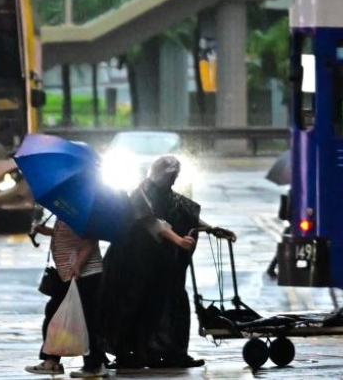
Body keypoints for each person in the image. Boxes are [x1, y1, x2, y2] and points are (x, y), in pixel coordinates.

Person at [100, 156, 234, 369]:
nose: (174, 181)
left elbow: (187, 216)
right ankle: (129, 354)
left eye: (176, 177)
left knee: (173, 303)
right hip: (133, 262)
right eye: (171, 176)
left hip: (159, 261)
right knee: (134, 305)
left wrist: (213, 230)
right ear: (160, 174)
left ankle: (171, 353)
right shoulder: (140, 193)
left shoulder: (168, 194)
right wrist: (179, 240)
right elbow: (154, 223)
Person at [26, 218, 107, 378]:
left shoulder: (82, 213)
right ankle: (52, 361)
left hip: (84, 275)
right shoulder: (67, 212)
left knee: (86, 320)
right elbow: (69, 236)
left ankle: (94, 365)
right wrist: (48, 231)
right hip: (68, 276)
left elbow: (90, 240)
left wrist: (78, 265)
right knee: (54, 315)